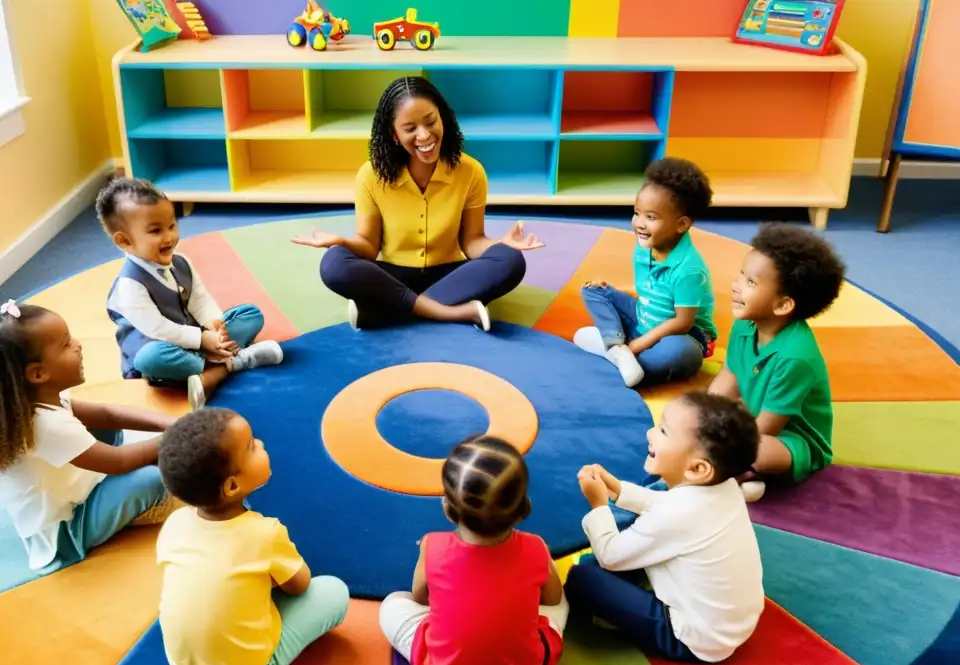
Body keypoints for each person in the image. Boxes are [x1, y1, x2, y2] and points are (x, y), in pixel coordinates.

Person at [292, 76, 543, 331]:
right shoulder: (370, 176)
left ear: (442, 117)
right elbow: (368, 245)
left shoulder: (471, 171)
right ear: (395, 135)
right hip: (390, 275)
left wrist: (502, 243)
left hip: (451, 274)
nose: (424, 135)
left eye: (431, 122)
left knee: (512, 260)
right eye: (410, 129)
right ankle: (453, 312)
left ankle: (384, 310)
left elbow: (472, 241)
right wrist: (341, 242)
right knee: (334, 263)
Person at [0, 301, 177, 572]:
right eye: (66, 344)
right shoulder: (43, 426)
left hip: (79, 485)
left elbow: (107, 414)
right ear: (38, 374)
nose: (78, 345)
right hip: (65, 532)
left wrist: (172, 423)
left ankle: (120, 489)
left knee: (106, 429)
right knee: (152, 481)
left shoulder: (39, 400)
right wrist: (179, 435)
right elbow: (118, 462)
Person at [156, 407, 350, 665]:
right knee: (333, 591)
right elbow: (300, 585)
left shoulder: (175, 522)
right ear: (232, 485)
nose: (261, 444)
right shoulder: (265, 533)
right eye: (251, 446)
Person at [565, 392, 764, 663]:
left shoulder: (677, 514)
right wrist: (618, 490)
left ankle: (616, 621)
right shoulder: (724, 486)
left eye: (663, 431)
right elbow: (666, 504)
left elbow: (610, 556)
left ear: (696, 469)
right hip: (733, 624)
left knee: (583, 577)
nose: (650, 433)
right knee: (611, 557)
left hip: (693, 640)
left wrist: (598, 503)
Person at [379, 434, 568, 665]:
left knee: (393, 603)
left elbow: (420, 599)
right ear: (523, 509)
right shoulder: (536, 548)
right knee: (560, 601)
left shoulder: (433, 546)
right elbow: (551, 600)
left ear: (448, 509)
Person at [97, 178, 284, 410]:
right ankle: (232, 363)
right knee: (150, 359)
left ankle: (210, 369)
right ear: (124, 240)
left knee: (250, 314)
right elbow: (158, 328)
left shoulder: (181, 261)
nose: (169, 237)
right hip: (161, 347)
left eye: (172, 225)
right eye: (156, 230)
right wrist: (203, 340)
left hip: (198, 339)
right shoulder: (129, 285)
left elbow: (200, 299)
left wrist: (215, 327)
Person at [709, 223, 846, 502]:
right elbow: (729, 377)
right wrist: (700, 420)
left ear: (782, 305)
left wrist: (713, 446)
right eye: (741, 275)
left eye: (750, 283)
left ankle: (742, 472)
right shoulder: (746, 325)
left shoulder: (796, 357)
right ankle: (743, 475)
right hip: (754, 414)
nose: (736, 286)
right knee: (698, 416)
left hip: (792, 441)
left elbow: (767, 428)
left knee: (758, 449)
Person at [574, 157, 718, 387]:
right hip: (644, 318)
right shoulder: (646, 247)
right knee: (593, 290)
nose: (639, 223)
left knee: (683, 353)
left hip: (679, 335)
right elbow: (651, 289)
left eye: (651, 218)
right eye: (637, 213)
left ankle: (615, 350)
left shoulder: (689, 270)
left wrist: (638, 345)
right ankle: (619, 352)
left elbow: (682, 322)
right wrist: (614, 291)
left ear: (681, 225)